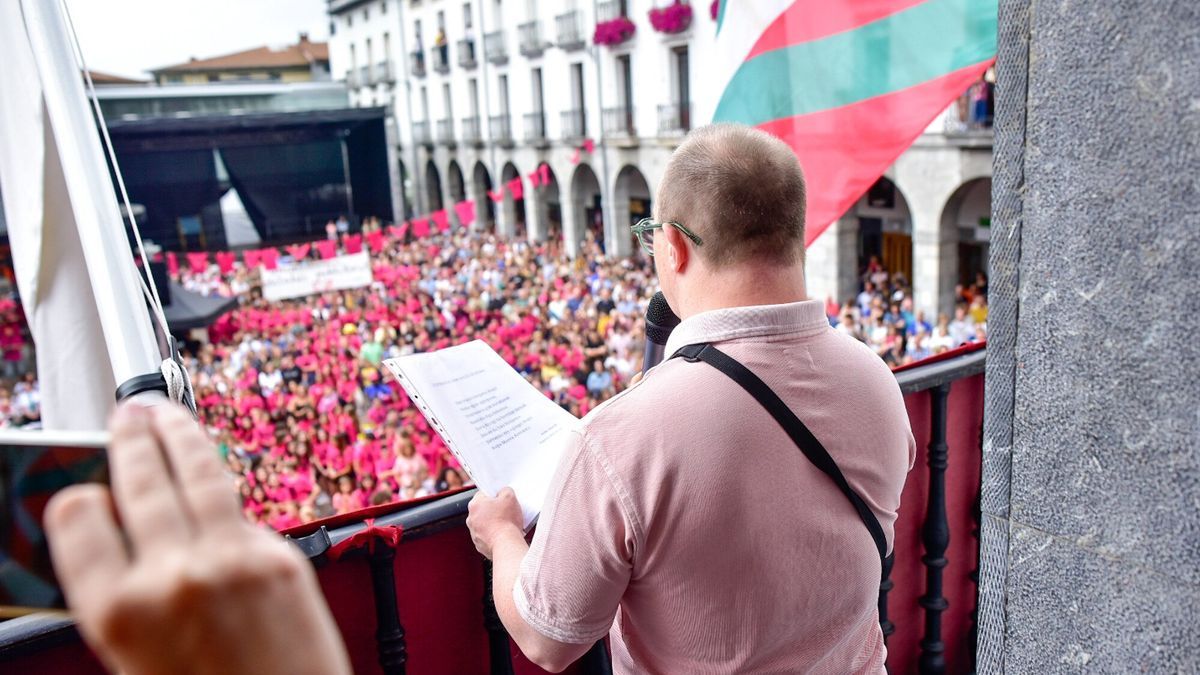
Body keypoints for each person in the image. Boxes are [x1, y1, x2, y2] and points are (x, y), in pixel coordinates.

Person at [468, 124, 914, 672]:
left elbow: (547, 640)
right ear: (796, 236)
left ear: (673, 246)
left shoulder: (622, 435)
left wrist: (502, 534)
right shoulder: (877, 381)